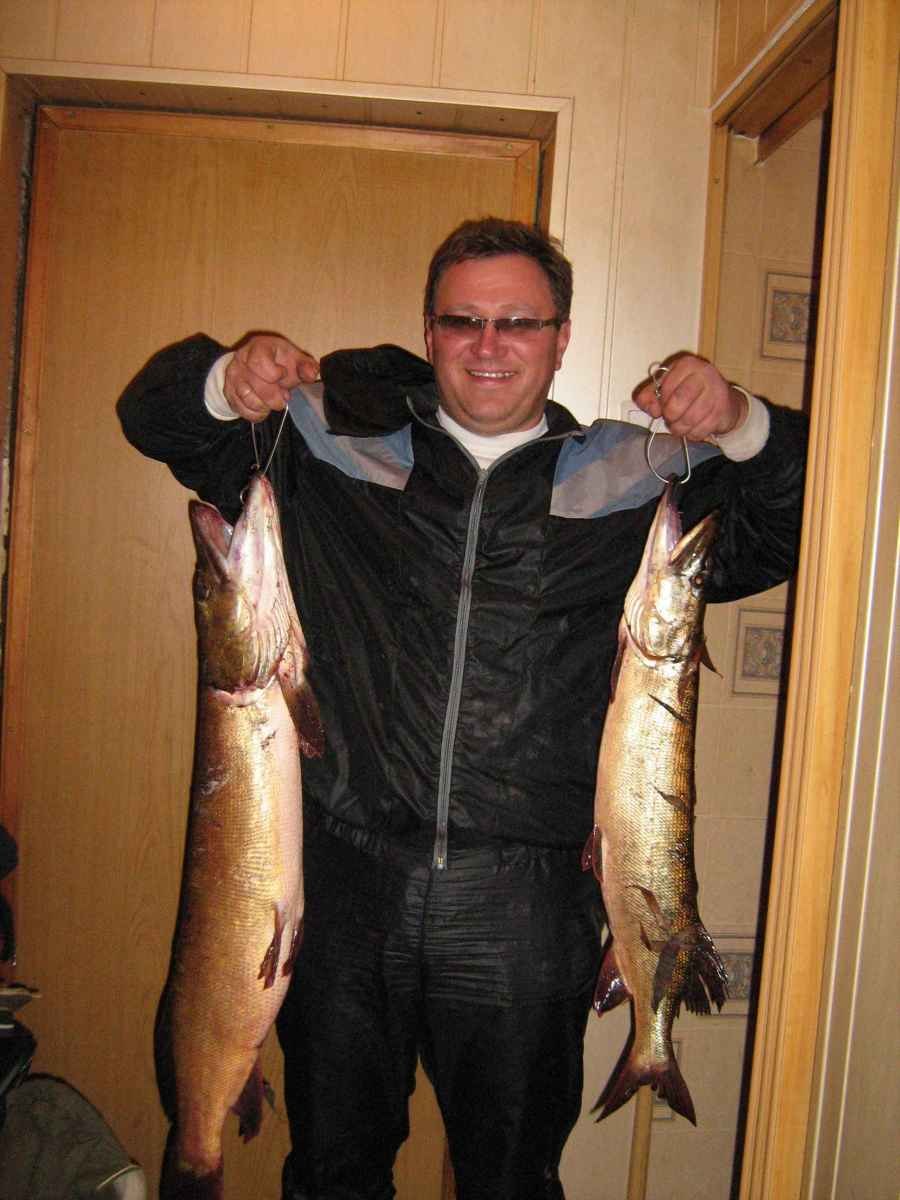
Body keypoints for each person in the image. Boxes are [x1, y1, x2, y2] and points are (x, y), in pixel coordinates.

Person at [118, 218, 806, 1200]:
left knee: (510, 1180)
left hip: (526, 907)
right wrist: (224, 379)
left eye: (519, 322)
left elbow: (802, 520)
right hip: (347, 886)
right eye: (463, 321)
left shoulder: (639, 477)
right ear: (430, 332)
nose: (489, 344)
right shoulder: (328, 447)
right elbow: (156, 420)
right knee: (334, 1174)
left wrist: (741, 422)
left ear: (561, 338)